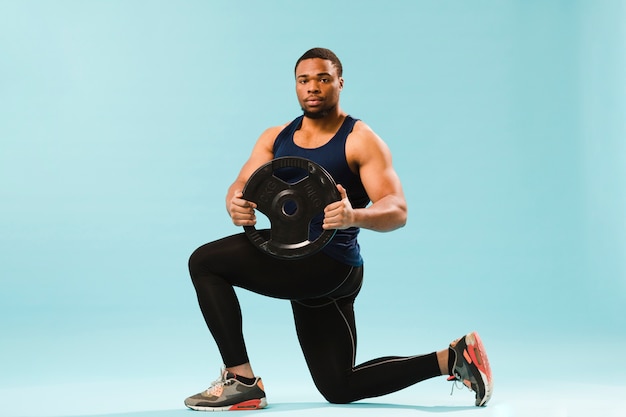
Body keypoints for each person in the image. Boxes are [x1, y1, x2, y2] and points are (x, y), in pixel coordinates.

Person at [184, 47, 493, 411]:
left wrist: (353, 216)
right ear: (296, 86)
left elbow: (397, 209)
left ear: (339, 83)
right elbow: (241, 183)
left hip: (327, 263)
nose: (313, 87)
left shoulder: (360, 139)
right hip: (300, 261)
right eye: (304, 80)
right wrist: (234, 202)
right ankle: (453, 357)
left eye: (323, 79)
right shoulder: (275, 137)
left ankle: (241, 381)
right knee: (339, 386)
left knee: (204, 262)